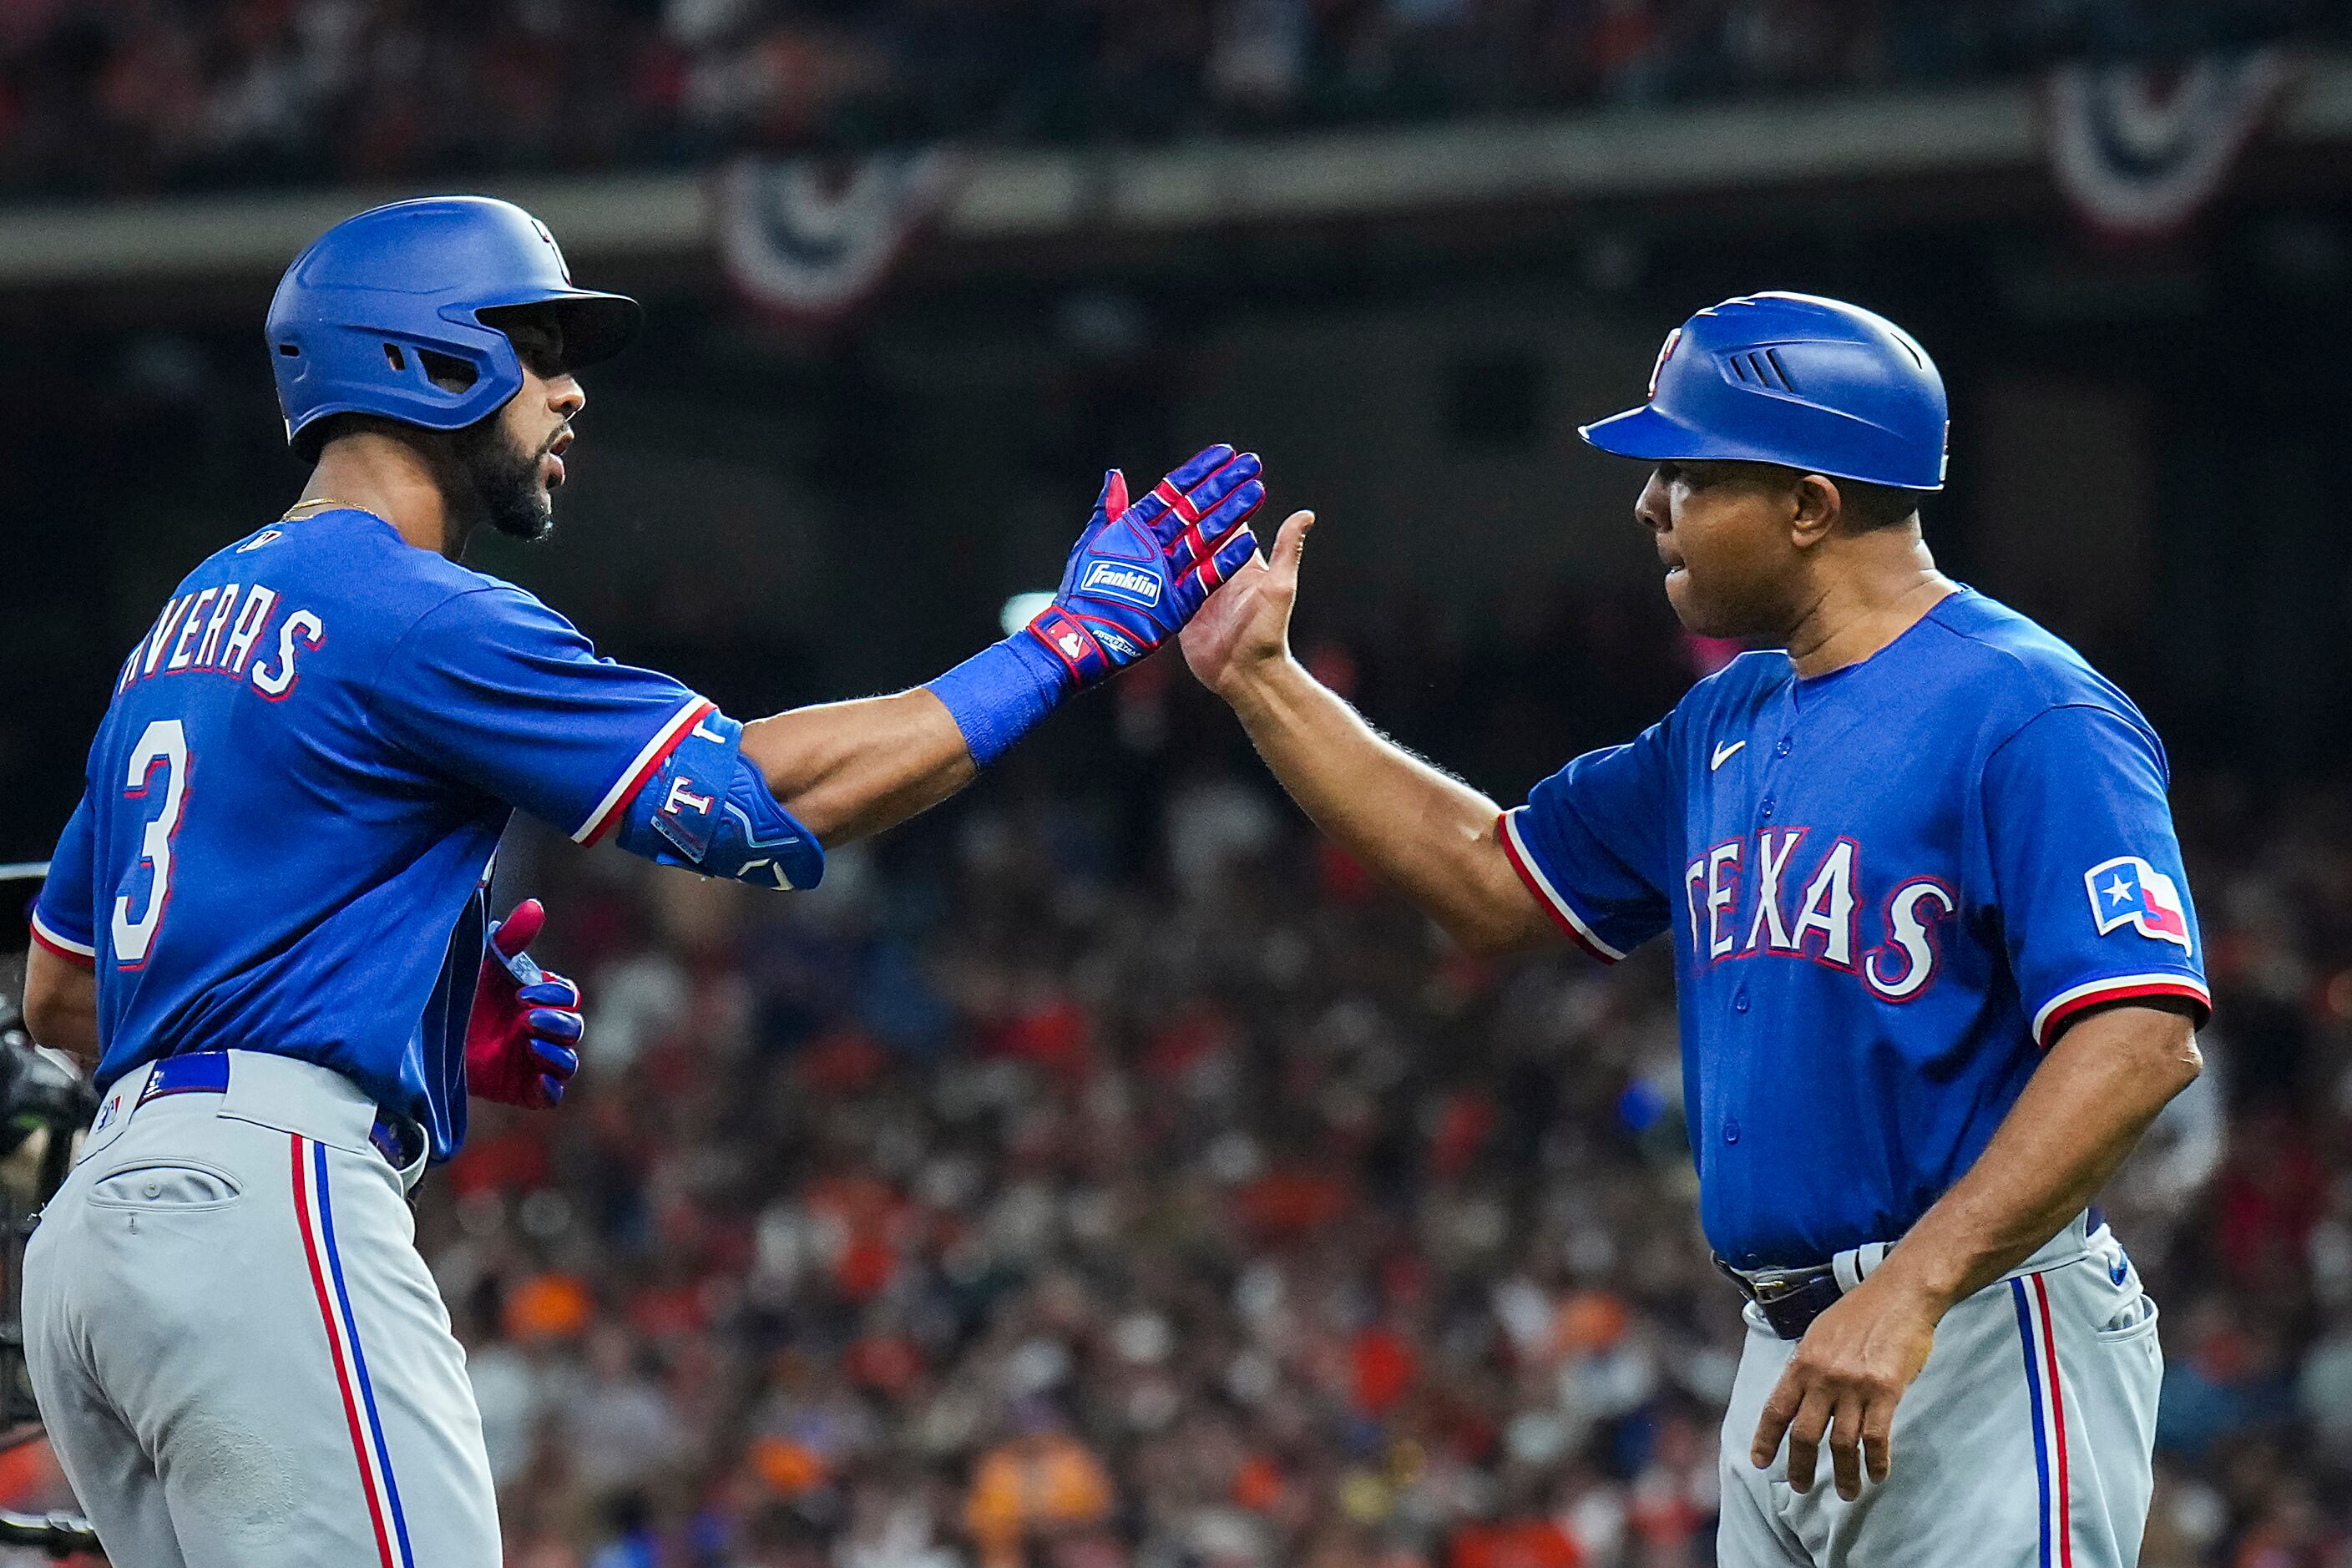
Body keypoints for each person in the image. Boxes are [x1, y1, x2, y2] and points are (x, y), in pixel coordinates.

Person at [15, 195, 1265, 1567]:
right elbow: (763, 799)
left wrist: (398, 1004)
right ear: (428, 361)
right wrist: (1065, 641)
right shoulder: (412, 604)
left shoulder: (175, 632)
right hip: (268, 1209)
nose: (568, 391)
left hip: (93, 1247)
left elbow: (63, 996)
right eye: (537, 347)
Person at [1180, 292, 2208, 1565]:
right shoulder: (1726, 719)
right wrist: (1263, 684)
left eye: (1685, 469)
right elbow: (1487, 879)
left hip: (1980, 1328)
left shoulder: (2027, 707)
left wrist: (1911, 1288)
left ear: (1808, 504)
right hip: (1788, 1347)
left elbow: (2141, 1032)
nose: (1646, 502)